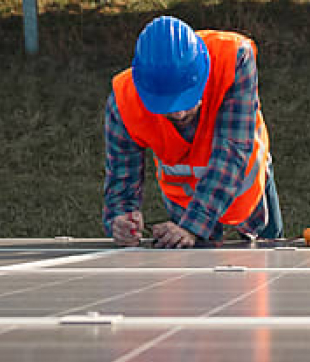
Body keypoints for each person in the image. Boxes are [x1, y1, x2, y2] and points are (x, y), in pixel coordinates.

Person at [103, 16, 281, 247]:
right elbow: (121, 179)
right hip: (184, 204)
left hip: (246, 192)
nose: (178, 115)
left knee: (271, 261)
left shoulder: (233, 59)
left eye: (186, 101)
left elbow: (232, 151)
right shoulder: (123, 101)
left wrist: (192, 226)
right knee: (195, 275)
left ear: (203, 73)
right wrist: (121, 218)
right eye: (166, 106)